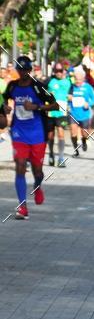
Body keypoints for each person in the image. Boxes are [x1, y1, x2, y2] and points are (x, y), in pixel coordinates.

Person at [2, 55, 57, 220]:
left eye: (26, 69)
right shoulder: (12, 86)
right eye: (20, 69)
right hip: (19, 132)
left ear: (30, 70)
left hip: (38, 134)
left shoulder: (38, 87)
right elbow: (5, 100)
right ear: (17, 70)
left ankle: (38, 186)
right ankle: (22, 207)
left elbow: (55, 104)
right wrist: (5, 108)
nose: (23, 72)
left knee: (37, 170)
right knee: (19, 165)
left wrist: (37, 106)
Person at [68, 66, 94, 156]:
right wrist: (69, 99)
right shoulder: (72, 87)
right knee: (73, 133)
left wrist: (88, 104)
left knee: (84, 134)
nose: (77, 81)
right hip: (73, 113)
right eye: (76, 79)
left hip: (84, 114)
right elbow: (68, 97)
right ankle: (76, 150)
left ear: (83, 78)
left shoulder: (88, 87)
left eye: (79, 79)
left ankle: (84, 141)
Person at [47, 63, 71, 167]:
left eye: (60, 71)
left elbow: (72, 95)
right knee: (50, 136)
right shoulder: (50, 81)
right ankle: (51, 154)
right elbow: (45, 94)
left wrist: (70, 99)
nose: (59, 73)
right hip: (51, 111)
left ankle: (61, 158)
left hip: (62, 111)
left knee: (61, 134)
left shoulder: (68, 82)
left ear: (64, 71)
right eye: (56, 71)